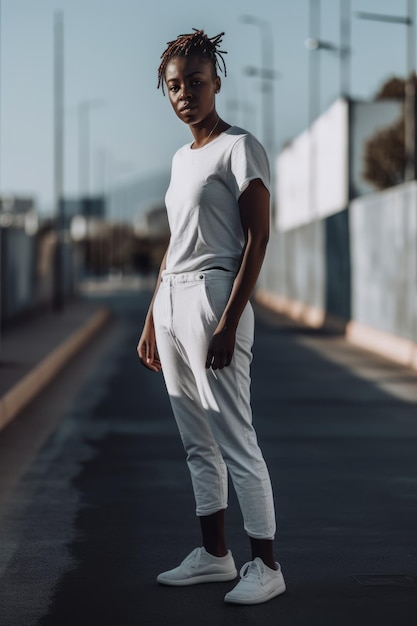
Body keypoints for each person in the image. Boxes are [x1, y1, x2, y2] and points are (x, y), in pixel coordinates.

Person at [137, 28, 286, 605]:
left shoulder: (239, 147)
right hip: (172, 297)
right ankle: (215, 557)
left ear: (216, 82)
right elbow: (175, 243)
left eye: (195, 83)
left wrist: (228, 319)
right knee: (196, 440)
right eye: (174, 86)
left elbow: (259, 236)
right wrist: (153, 316)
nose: (185, 95)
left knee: (235, 437)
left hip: (213, 297)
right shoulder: (181, 158)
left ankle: (267, 566)